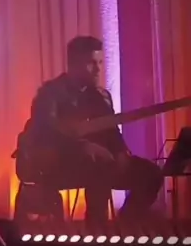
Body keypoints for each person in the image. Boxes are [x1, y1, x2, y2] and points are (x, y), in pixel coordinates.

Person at [15, 35, 163, 225]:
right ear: (74, 64)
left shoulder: (100, 96)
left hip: (100, 162)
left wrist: (120, 151)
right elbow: (46, 132)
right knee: (99, 165)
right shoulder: (50, 93)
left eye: (100, 62)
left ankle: (126, 223)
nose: (98, 69)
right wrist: (83, 146)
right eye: (92, 63)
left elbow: (111, 130)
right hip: (60, 164)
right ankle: (96, 227)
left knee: (151, 174)